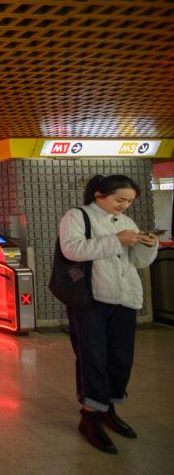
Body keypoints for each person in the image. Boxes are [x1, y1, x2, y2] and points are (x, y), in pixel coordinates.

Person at [59, 174, 158, 454]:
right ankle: (90, 415)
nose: (124, 206)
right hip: (91, 300)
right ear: (100, 195)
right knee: (93, 356)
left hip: (124, 298)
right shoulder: (77, 216)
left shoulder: (126, 222)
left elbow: (136, 261)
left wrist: (146, 246)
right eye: (119, 199)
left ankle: (108, 408)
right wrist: (116, 240)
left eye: (128, 201)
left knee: (120, 357)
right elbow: (72, 249)